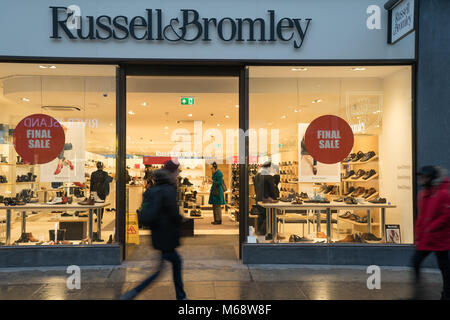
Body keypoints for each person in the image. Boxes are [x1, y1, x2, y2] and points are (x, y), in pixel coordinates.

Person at [121, 160, 187, 300]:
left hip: (158, 234)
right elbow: (172, 212)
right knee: (164, 268)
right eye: (177, 171)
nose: (178, 173)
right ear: (172, 172)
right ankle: (133, 293)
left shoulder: (155, 187)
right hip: (166, 235)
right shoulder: (169, 188)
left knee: (168, 265)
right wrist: (181, 219)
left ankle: (181, 296)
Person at [413, 165, 450, 300]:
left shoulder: (443, 193)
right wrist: (418, 232)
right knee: (415, 262)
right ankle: (418, 292)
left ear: (431, 178)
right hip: (427, 237)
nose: (422, 180)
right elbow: (422, 215)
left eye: (424, 177)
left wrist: (431, 227)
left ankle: (446, 294)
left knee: (444, 268)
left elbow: (447, 215)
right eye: (421, 177)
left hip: (439, 238)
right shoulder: (422, 194)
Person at [254, 161, 277, 236]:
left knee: (261, 215)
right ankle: (265, 232)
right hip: (266, 199)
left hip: (258, 198)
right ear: (269, 167)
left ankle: (259, 231)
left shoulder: (257, 175)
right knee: (269, 215)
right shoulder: (268, 176)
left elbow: (255, 188)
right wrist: (274, 198)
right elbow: (272, 189)